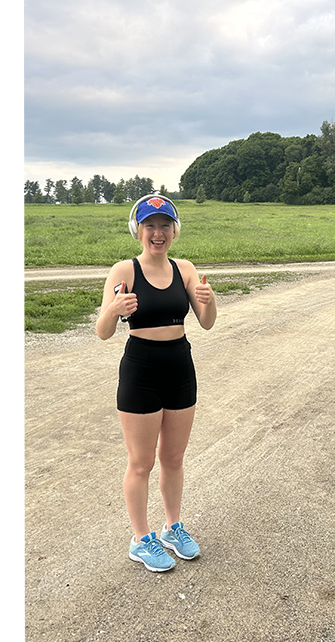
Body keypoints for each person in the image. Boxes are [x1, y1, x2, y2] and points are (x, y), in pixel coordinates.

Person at [96, 194, 217, 572]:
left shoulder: (185, 269)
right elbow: (102, 332)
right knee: (141, 461)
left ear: (174, 230)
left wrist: (209, 300)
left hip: (180, 365)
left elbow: (207, 321)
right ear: (138, 230)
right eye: (150, 225)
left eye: (165, 225)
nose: (158, 233)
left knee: (174, 458)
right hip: (141, 369)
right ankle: (140, 538)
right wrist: (114, 311)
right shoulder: (123, 271)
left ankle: (172, 527)